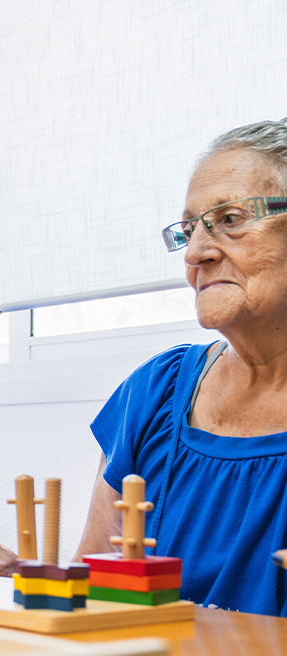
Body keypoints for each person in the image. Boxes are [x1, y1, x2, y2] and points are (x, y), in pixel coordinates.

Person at [71, 119, 287, 617]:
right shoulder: (155, 392)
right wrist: (20, 578)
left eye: (230, 219)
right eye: (189, 231)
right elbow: (92, 593)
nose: (196, 253)